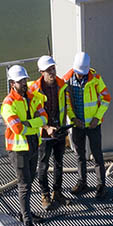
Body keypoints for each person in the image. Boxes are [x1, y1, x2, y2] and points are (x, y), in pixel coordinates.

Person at [0, 65, 48, 226]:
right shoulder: (8, 104)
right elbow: (17, 129)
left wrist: (29, 123)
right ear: (12, 83)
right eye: (20, 81)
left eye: (25, 80)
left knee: (30, 179)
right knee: (24, 185)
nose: (24, 83)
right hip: (18, 149)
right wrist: (32, 124)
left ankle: (25, 213)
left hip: (33, 144)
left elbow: (44, 118)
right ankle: (27, 223)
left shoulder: (33, 97)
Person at [64, 52, 110, 199]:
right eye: (78, 73)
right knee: (79, 155)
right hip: (77, 125)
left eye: (82, 73)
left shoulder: (96, 79)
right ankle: (82, 182)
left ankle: (101, 185)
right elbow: (67, 103)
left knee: (97, 155)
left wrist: (97, 118)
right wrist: (73, 119)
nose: (80, 76)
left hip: (93, 125)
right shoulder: (66, 80)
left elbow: (106, 98)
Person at [29, 55, 69, 210]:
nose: (52, 72)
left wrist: (64, 129)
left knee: (59, 163)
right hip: (44, 134)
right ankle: (45, 194)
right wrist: (46, 128)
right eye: (48, 70)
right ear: (41, 72)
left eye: (53, 68)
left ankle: (57, 192)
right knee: (43, 165)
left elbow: (65, 106)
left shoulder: (61, 84)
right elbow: (34, 113)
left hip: (59, 130)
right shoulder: (34, 90)